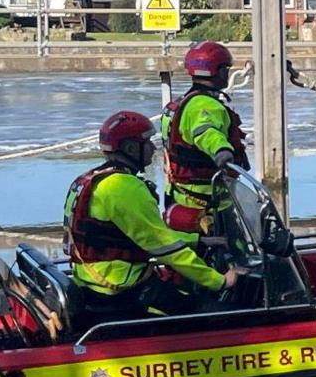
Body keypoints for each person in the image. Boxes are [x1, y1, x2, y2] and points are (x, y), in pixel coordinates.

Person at [65, 109, 238, 322]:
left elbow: (139, 237)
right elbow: (165, 249)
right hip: (123, 290)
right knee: (210, 313)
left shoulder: (89, 180)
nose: (153, 148)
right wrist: (220, 281)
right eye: (147, 142)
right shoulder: (123, 187)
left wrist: (198, 240)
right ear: (130, 148)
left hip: (92, 283)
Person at [162, 40, 250, 245]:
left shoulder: (179, 104)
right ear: (218, 71)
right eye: (225, 69)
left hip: (180, 199)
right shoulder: (206, 106)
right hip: (210, 203)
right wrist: (221, 150)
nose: (227, 74)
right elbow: (206, 131)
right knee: (233, 253)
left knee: (191, 252)